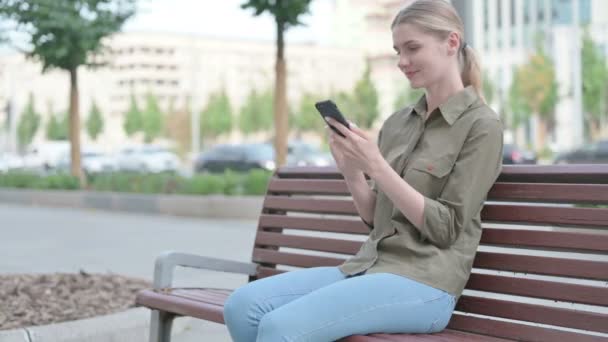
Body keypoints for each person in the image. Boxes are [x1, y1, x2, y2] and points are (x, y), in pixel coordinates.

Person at [223, 0, 503, 340]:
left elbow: (447, 228)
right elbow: (376, 219)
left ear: (452, 43)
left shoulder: (481, 126)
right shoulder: (399, 123)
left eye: (413, 48)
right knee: (242, 306)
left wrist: (378, 166)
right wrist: (352, 171)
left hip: (426, 284)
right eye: (398, 50)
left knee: (279, 327)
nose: (402, 61)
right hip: (369, 266)